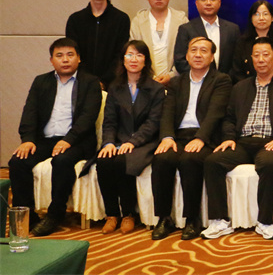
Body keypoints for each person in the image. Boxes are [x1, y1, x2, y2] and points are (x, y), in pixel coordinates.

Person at [202, 37, 273, 240]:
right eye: (256, 55)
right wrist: (229, 137)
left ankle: (264, 222)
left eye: (265, 55)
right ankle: (219, 221)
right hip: (242, 141)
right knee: (213, 161)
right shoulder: (240, 87)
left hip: (271, 142)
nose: (261, 59)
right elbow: (229, 118)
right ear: (251, 59)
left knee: (270, 163)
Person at [8, 38, 103, 236]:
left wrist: (68, 140)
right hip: (45, 140)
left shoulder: (90, 82)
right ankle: (27, 216)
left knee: (62, 160)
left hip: (77, 140)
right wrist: (27, 139)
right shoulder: (41, 82)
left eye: (70, 55)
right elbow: (30, 113)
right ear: (51, 60)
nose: (65, 60)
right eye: (59, 55)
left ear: (79, 58)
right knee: (18, 162)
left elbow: (88, 117)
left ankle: (55, 214)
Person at [150, 37, 233, 240]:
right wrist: (167, 137)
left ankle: (192, 219)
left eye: (204, 50)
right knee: (162, 158)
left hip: (206, 136)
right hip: (179, 136)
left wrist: (201, 138)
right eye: (193, 50)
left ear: (212, 57)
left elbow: (215, 113)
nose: (198, 54)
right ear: (186, 56)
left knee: (190, 159)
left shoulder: (221, 80)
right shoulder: (176, 82)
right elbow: (167, 112)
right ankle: (164, 218)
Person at [96, 40, 166, 234]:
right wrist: (109, 142)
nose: (133, 59)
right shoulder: (115, 87)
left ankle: (128, 214)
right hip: (119, 140)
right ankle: (111, 214)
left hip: (145, 142)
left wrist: (132, 142)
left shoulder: (156, 89)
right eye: (129, 55)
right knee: (103, 160)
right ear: (123, 60)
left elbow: (153, 123)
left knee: (123, 161)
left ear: (146, 61)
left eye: (139, 55)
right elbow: (109, 121)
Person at [65, 0, 130, 88]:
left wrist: (104, 81)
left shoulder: (121, 19)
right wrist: (89, 81)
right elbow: (72, 54)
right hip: (81, 83)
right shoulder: (75, 20)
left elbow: (120, 55)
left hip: (113, 84)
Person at [129, 0, 187, 83]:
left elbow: (186, 53)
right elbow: (134, 53)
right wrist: (150, 77)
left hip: (176, 81)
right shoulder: (138, 21)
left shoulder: (181, 20)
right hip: (145, 80)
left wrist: (171, 76)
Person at [174, 0, 240, 78]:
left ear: (219, 3)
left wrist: (225, 79)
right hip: (197, 82)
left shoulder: (232, 29)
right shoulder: (186, 29)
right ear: (197, 4)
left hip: (227, 82)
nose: (208, 3)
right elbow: (180, 61)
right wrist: (202, 77)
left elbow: (238, 60)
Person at [233, 0, 273, 83]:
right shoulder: (242, 41)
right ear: (251, 18)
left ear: (272, 18)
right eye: (257, 14)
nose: (261, 18)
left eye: (265, 14)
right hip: (247, 87)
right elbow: (237, 71)